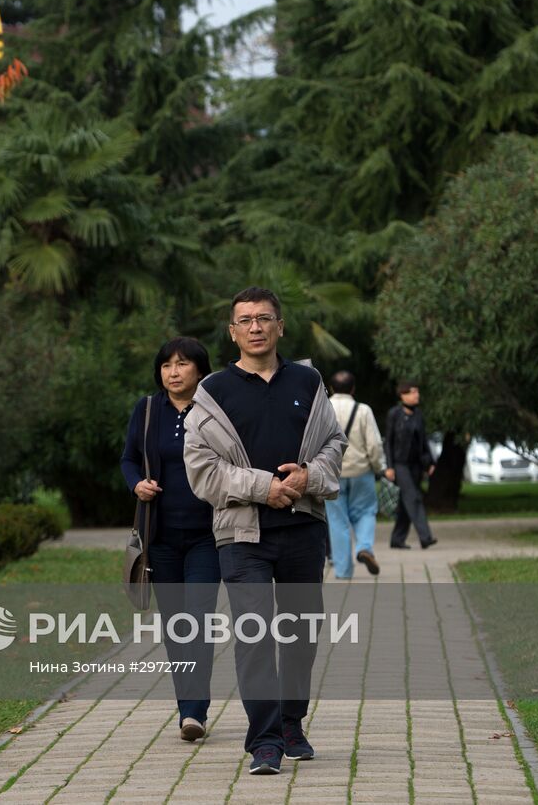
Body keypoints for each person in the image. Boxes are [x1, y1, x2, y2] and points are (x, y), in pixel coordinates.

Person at [184, 287, 346, 776]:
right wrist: (264, 488)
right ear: (232, 332)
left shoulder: (308, 380)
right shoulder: (212, 391)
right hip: (241, 535)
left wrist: (307, 477)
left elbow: (334, 443)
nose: (255, 327)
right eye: (245, 320)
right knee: (254, 635)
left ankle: (291, 723)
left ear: (280, 325)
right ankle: (265, 740)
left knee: (300, 632)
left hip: (303, 528)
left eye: (264, 318)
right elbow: (201, 469)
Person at [120, 337, 219, 743]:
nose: (173, 372)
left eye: (181, 364)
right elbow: (128, 458)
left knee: (198, 619)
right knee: (176, 626)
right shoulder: (147, 410)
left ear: (200, 369)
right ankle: (187, 709)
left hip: (208, 535)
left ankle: (195, 710)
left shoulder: (215, 408)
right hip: (159, 537)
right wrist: (136, 484)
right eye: (166, 365)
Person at [327, 371, 386, 579]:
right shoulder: (363, 410)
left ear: (331, 388)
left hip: (332, 473)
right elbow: (374, 444)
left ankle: (343, 571)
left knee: (337, 520)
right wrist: (379, 467)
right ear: (353, 389)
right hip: (361, 472)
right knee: (366, 512)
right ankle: (364, 548)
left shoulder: (323, 408)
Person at [384, 381, 437, 550]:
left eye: (417, 392)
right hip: (399, 465)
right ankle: (425, 537)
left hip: (416, 465)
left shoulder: (418, 415)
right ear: (403, 395)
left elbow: (423, 441)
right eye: (413, 392)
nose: (417, 395)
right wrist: (389, 466)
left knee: (405, 502)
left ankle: (397, 539)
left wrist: (430, 462)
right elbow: (388, 442)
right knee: (413, 498)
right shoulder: (394, 414)